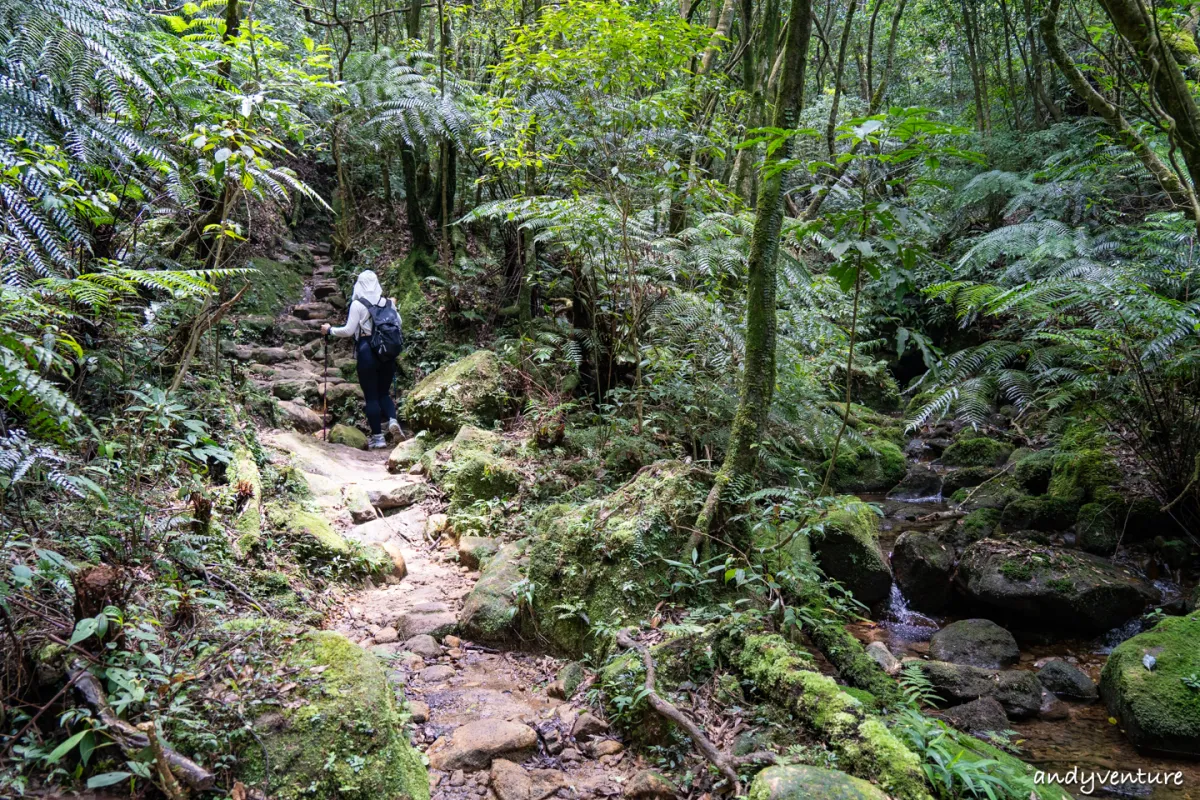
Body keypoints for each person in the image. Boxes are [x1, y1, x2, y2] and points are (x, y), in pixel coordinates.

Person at [321, 270, 402, 450]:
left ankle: (378, 438)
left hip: (367, 350)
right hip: (387, 352)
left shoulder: (358, 304)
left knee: (371, 396)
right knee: (383, 393)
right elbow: (399, 324)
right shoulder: (388, 303)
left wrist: (330, 330)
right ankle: (393, 421)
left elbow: (349, 331)